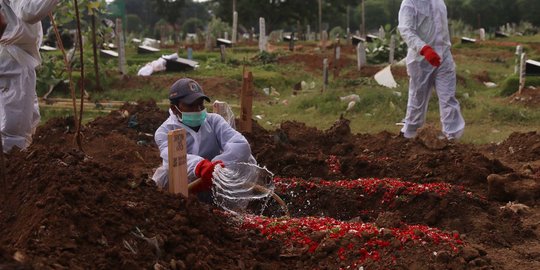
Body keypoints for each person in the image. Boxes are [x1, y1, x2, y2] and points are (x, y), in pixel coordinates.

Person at [153, 78, 256, 195]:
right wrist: (200, 166)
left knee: (247, 160)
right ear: (174, 108)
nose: (197, 110)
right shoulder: (165, 131)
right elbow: (171, 158)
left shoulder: (213, 121)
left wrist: (217, 165)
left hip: (215, 182)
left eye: (200, 105)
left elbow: (240, 145)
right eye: (191, 106)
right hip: (186, 186)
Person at [397, 0, 465, 140]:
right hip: (420, 60)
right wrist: (424, 48)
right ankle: (410, 135)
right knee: (418, 100)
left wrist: (444, 52)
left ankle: (451, 138)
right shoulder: (410, 3)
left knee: (448, 98)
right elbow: (405, 29)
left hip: (443, 58)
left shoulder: (438, 2)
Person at [0, 0, 59, 153]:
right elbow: (28, 11)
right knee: (14, 129)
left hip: (14, 57)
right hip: (12, 60)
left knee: (27, 116)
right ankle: (12, 168)